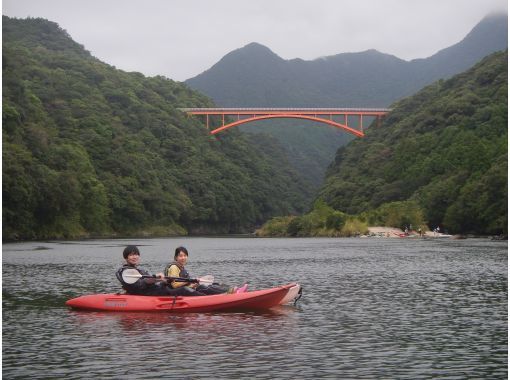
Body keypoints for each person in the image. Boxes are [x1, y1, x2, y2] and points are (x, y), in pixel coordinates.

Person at [116, 245, 204, 296]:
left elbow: (149, 281)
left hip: (156, 289)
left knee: (181, 286)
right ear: (126, 257)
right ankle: (205, 299)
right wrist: (155, 278)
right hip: (148, 294)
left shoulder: (140, 270)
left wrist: (166, 281)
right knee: (183, 290)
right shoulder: (124, 271)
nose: (134, 257)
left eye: (136, 255)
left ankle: (206, 295)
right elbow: (140, 284)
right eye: (131, 255)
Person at [165, 246, 248, 295]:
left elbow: (184, 282)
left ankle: (232, 290)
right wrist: (189, 282)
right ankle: (231, 292)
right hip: (177, 293)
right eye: (180, 256)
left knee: (212, 285)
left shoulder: (181, 267)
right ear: (176, 257)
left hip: (186, 289)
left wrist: (192, 283)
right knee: (203, 287)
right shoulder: (174, 267)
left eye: (185, 255)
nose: (183, 258)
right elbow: (175, 285)